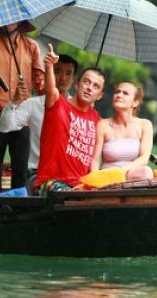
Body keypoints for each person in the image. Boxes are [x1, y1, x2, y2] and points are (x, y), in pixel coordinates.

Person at [0, 20, 43, 192]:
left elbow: (40, 82)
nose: (9, 20)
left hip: (22, 118)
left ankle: (18, 209)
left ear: (21, 20)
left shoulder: (31, 46)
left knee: (21, 169)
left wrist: (51, 74)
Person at [0, 54, 79, 193]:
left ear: (74, 79)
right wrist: (15, 101)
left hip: (69, 175)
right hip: (38, 174)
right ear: (49, 74)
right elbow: (4, 127)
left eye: (68, 73)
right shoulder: (33, 104)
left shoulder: (78, 110)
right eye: (57, 72)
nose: (63, 78)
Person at [34, 44, 106, 192]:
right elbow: (50, 89)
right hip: (52, 183)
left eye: (95, 86)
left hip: (82, 185)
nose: (89, 88)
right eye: (86, 82)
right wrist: (48, 66)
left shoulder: (97, 119)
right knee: (73, 196)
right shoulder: (58, 103)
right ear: (76, 84)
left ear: (100, 96)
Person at [90, 81, 153, 180]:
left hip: (131, 175)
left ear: (135, 102)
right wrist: (94, 183)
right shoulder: (103, 125)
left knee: (146, 172)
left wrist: (121, 171)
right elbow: (95, 160)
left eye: (125, 93)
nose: (119, 95)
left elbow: (144, 158)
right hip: (108, 177)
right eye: (117, 92)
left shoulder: (145, 125)